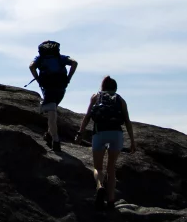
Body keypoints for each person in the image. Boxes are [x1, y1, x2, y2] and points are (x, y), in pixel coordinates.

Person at [78, 76, 135, 210]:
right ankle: (110, 200)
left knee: (98, 168)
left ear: (102, 87)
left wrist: (80, 133)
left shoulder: (95, 97)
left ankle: (100, 186)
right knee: (111, 168)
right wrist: (132, 141)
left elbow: (87, 116)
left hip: (100, 133)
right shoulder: (120, 100)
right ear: (115, 88)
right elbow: (127, 121)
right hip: (116, 134)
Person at [28, 41, 77, 153]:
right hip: (61, 88)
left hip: (48, 87)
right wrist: (68, 78)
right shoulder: (60, 57)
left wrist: (38, 79)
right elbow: (74, 63)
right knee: (53, 111)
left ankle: (55, 140)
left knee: (51, 114)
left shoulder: (40, 58)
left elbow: (31, 66)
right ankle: (49, 135)